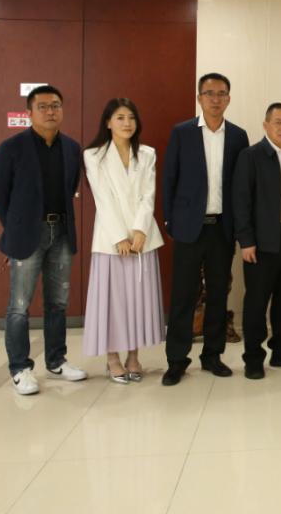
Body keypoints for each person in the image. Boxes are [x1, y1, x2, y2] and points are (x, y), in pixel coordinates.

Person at [0, 85, 87, 395]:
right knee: (19, 306)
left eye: (55, 105)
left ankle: (56, 360)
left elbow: (71, 187)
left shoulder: (71, 148)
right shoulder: (12, 148)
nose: (50, 111)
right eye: (43, 106)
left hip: (61, 233)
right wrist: (15, 230)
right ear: (29, 113)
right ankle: (20, 368)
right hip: (27, 235)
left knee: (58, 303)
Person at [161, 73, 250, 385]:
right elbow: (169, 178)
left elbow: (242, 185)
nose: (215, 99)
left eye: (221, 93)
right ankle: (177, 360)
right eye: (209, 93)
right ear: (199, 97)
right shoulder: (182, 132)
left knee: (218, 294)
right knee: (183, 296)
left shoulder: (238, 136)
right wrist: (170, 221)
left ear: (229, 99)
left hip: (222, 228)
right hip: (189, 227)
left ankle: (212, 356)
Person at [81, 98, 165, 384]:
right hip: (110, 240)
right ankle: (112, 358)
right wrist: (120, 237)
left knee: (137, 300)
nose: (127, 123)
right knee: (113, 302)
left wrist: (140, 230)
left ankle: (133, 356)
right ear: (108, 122)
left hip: (143, 239)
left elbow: (148, 195)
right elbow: (102, 198)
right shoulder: (94, 155)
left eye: (131, 117)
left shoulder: (147, 154)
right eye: (120, 117)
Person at [232, 102, 281, 379]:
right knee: (257, 302)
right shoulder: (251, 156)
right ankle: (253, 357)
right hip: (261, 242)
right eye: (278, 122)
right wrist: (246, 241)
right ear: (266, 125)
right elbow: (241, 201)